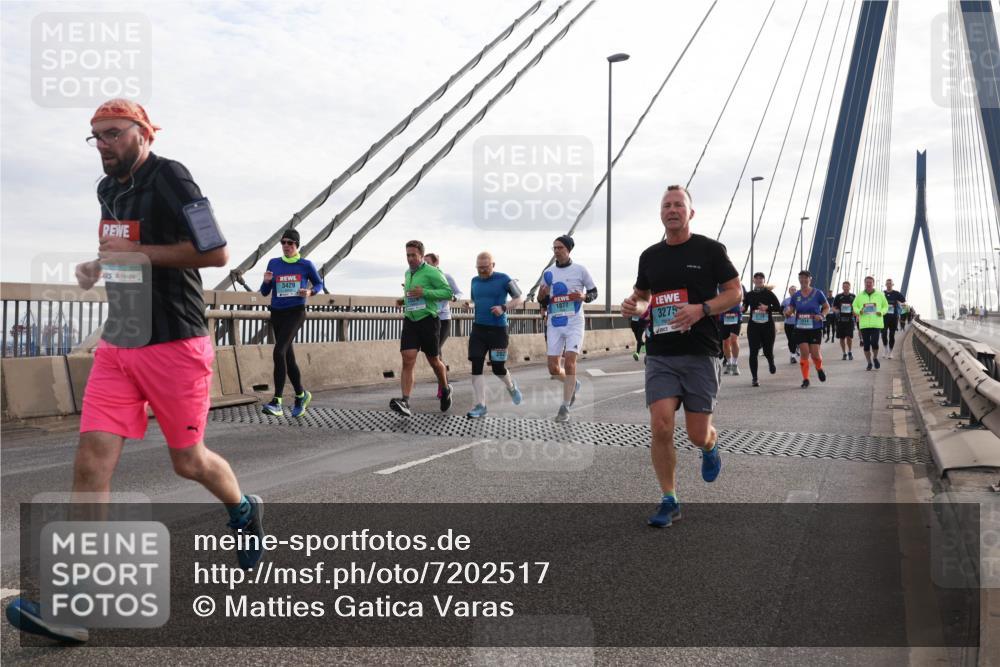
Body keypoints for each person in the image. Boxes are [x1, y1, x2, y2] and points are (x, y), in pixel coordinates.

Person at [7, 99, 264, 643]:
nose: (102, 144)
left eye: (113, 134)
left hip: (175, 344)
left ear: (143, 133)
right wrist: (97, 265)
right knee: (90, 464)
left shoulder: (172, 177)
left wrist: (140, 256)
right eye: (95, 136)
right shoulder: (108, 190)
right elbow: (123, 248)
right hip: (119, 344)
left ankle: (242, 508)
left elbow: (214, 253)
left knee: (188, 462)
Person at [621, 184, 741, 528]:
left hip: (701, 351)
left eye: (678, 205)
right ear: (661, 213)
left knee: (696, 434)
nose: (672, 210)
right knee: (660, 425)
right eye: (666, 205)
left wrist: (702, 309)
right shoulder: (650, 256)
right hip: (661, 352)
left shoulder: (710, 250)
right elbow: (643, 296)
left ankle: (710, 445)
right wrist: (634, 305)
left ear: (690, 213)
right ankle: (669, 498)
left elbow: (735, 293)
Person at [259, 228, 322, 418]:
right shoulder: (274, 263)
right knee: (287, 357)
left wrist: (310, 292)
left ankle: (277, 401)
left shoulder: (306, 265)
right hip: (277, 313)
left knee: (278, 351)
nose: (286, 246)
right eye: (283, 242)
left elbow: (319, 284)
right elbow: (264, 292)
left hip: (295, 313)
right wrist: (266, 281)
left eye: (290, 243)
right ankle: (301, 395)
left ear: (297, 245)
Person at [389, 240, 453, 417]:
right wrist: (403, 299)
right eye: (407, 255)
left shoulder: (433, 272)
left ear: (421, 255)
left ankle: (446, 388)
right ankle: (405, 401)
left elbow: (448, 293)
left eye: (413, 255)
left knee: (434, 361)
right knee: (407, 359)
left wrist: (425, 292)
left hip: (428, 320)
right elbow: (412, 294)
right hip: (410, 320)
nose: (409, 259)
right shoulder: (407, 273)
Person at [537, 235, 597, 423]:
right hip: (555, 323)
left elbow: (594, 292)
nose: (556, 251)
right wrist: (541, 296)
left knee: (570, 362)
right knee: (553, 369)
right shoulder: (548, 272)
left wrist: (584, 297)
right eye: (554, 248)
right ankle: (573, 384)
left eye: (560, 248)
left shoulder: (580, 270)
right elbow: (543, 300)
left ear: (568, 250)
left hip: (574, 323)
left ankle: (564, 407)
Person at [465, 252, 525, 418]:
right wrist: (469, 305)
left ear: (493, 265)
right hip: (478, 329)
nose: (482, 271)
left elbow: (519, 298)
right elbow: (474, 300)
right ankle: (480, 405)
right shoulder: (474, 281)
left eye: (485, 267)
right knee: (476, 364)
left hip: (498, 330)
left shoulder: (504, 279)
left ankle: (511, 387)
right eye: (479, 267)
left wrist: (503, 308)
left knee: (498, 368)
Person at [424, 253, 462, 398]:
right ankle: (444, 384)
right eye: (424, 262)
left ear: (436, 262)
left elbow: (458, 293)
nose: (425, 265)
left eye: (428, 262)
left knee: (436, 350)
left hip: (444, 319)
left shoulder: (446, 276)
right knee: (434, 355)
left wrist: (453, 297)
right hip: (428, 319)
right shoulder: (424, 279)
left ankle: (443, 387)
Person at [785, 270, 829, 388]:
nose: (803, 280)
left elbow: (826, 307)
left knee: (815, 355)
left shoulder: (818, 293)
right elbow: (791, 309)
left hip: (814, 327)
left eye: (805, 278)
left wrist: (822, 315)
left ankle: (819, 368)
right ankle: (806, 379)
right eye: (801, 278)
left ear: (810, 279)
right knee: (804, 352)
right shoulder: (796, 295)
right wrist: (788, 313)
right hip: (800, 327)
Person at [742, 272, 781, 387]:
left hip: (767, 326)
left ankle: (771, 361)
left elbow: (778, 308)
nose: (758, 280)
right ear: (753, 280)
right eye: (756, 278)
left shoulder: (769, 294)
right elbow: (744, 307)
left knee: (767, 351)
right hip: (753, 326)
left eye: (761, 279)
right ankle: (755, 378)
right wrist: (743, 308)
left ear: (764, 281)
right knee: (753, 352)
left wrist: (767, 307)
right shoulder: (749, 295)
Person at [853, 275, 889, 371]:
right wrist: (859, 311)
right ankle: (869, 362)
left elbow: (886, 306)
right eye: (867, 282)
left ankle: (875, 358)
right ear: (864, 283)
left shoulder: (880, 295)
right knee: (866, 345)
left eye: (870, 282)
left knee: (875, 343)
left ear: (873, 284)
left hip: (876, 323)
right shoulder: (860, 296)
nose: (868, 284)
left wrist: (881, 312)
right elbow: (854, 306)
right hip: (864, 324)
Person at [881, 278, 907, 359]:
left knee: (892, 335)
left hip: (893, 318)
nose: (888, 285)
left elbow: (903, 300)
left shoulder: (896, 293)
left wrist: (898, 302)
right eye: (887, 283)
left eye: (890, 283)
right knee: (883, 334)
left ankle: (891, 352)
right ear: (885, 284)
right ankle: (885, 349)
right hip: (884, 317)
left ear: (892, 285)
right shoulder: (882, 293)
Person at [832, 281, 856, 360]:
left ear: (849, 287)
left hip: (850, 320)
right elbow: (833, 307)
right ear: (842, 287)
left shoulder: (853, 296)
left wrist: (855, 311)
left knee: (849, 337)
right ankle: (844, 353)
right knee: (842, 338)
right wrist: (836, 311)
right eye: (844, 286)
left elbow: (857, 307)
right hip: (840, 320)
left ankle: (850, 351)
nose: (846, 288)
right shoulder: (838, 296)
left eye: (847, 286)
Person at [719, 300, 742, 375]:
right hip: (723, 318)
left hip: (736, 316)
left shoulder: (740, 287)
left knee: (734, 340)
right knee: (725, 343)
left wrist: (743, 306)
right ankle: (729, 363)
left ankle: (735, 364)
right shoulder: (718, 288)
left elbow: (745, 299)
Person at [781, 285, 799, 364]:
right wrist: (785, 313)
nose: (793, 291)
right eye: (792, 290)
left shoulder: (800, 300)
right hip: (788, 323)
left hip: (797, 324)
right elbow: (780, 310)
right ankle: (793, 353)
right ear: (789, 291)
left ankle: (793, 355)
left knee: (794, 339)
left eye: (795, 290)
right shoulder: (785, 301)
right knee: (790, 340)